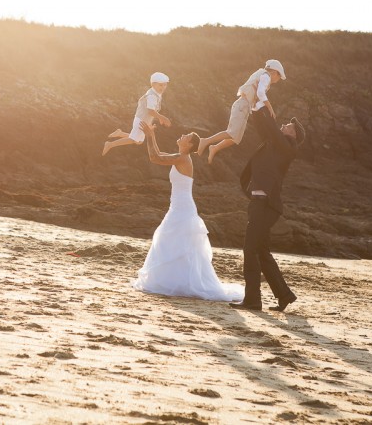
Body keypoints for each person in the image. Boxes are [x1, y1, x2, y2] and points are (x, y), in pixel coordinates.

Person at [132, 121, 244, 302]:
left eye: (186, 136)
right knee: (173, 242)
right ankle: (174, 280)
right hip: (178, 206)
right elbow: (158, 155)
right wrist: (151, 136)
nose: (182, 136)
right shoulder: (180, 156)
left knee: (171, 240)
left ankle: (178, 282)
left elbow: (154, 158)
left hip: (182, 208)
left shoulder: (183, 158)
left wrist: (150, 136)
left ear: (190, 144)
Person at [230, 108, 305, 312]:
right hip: (259, 204)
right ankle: (285, 295)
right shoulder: (273, 143)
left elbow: (271, 128)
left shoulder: (289, 147)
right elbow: (262, 126)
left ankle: (253, 300)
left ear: (294, 135)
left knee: (250, 250)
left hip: (267, 206)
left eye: (287, 126)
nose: (283, 126)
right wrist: (257, 108)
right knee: (261, 251)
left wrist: (265, 105)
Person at [197, 60, 286, 164]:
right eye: (279, 77)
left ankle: (215, 148)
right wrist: (270, 108)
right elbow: (261, 93)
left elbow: (257, 101)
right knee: (232, 133)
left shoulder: (261, 74)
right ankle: (206, 141)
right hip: (242, 105)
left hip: (244, 107)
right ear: (275, 73)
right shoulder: (266, 76)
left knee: (235, 138)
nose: (278, 79)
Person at [102, 72, 172, 156]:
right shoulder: (152, 96)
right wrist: (163, 118)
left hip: (144, 120)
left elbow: (152, 110)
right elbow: (150, 111)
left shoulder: (156, 93)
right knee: (133, 139)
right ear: (153, 84)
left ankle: (120, 133)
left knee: (139, 141)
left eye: (165, 85)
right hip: (141, 120)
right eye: (161, 85)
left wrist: (158, 118)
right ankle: (110, 144)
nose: (163, 87)